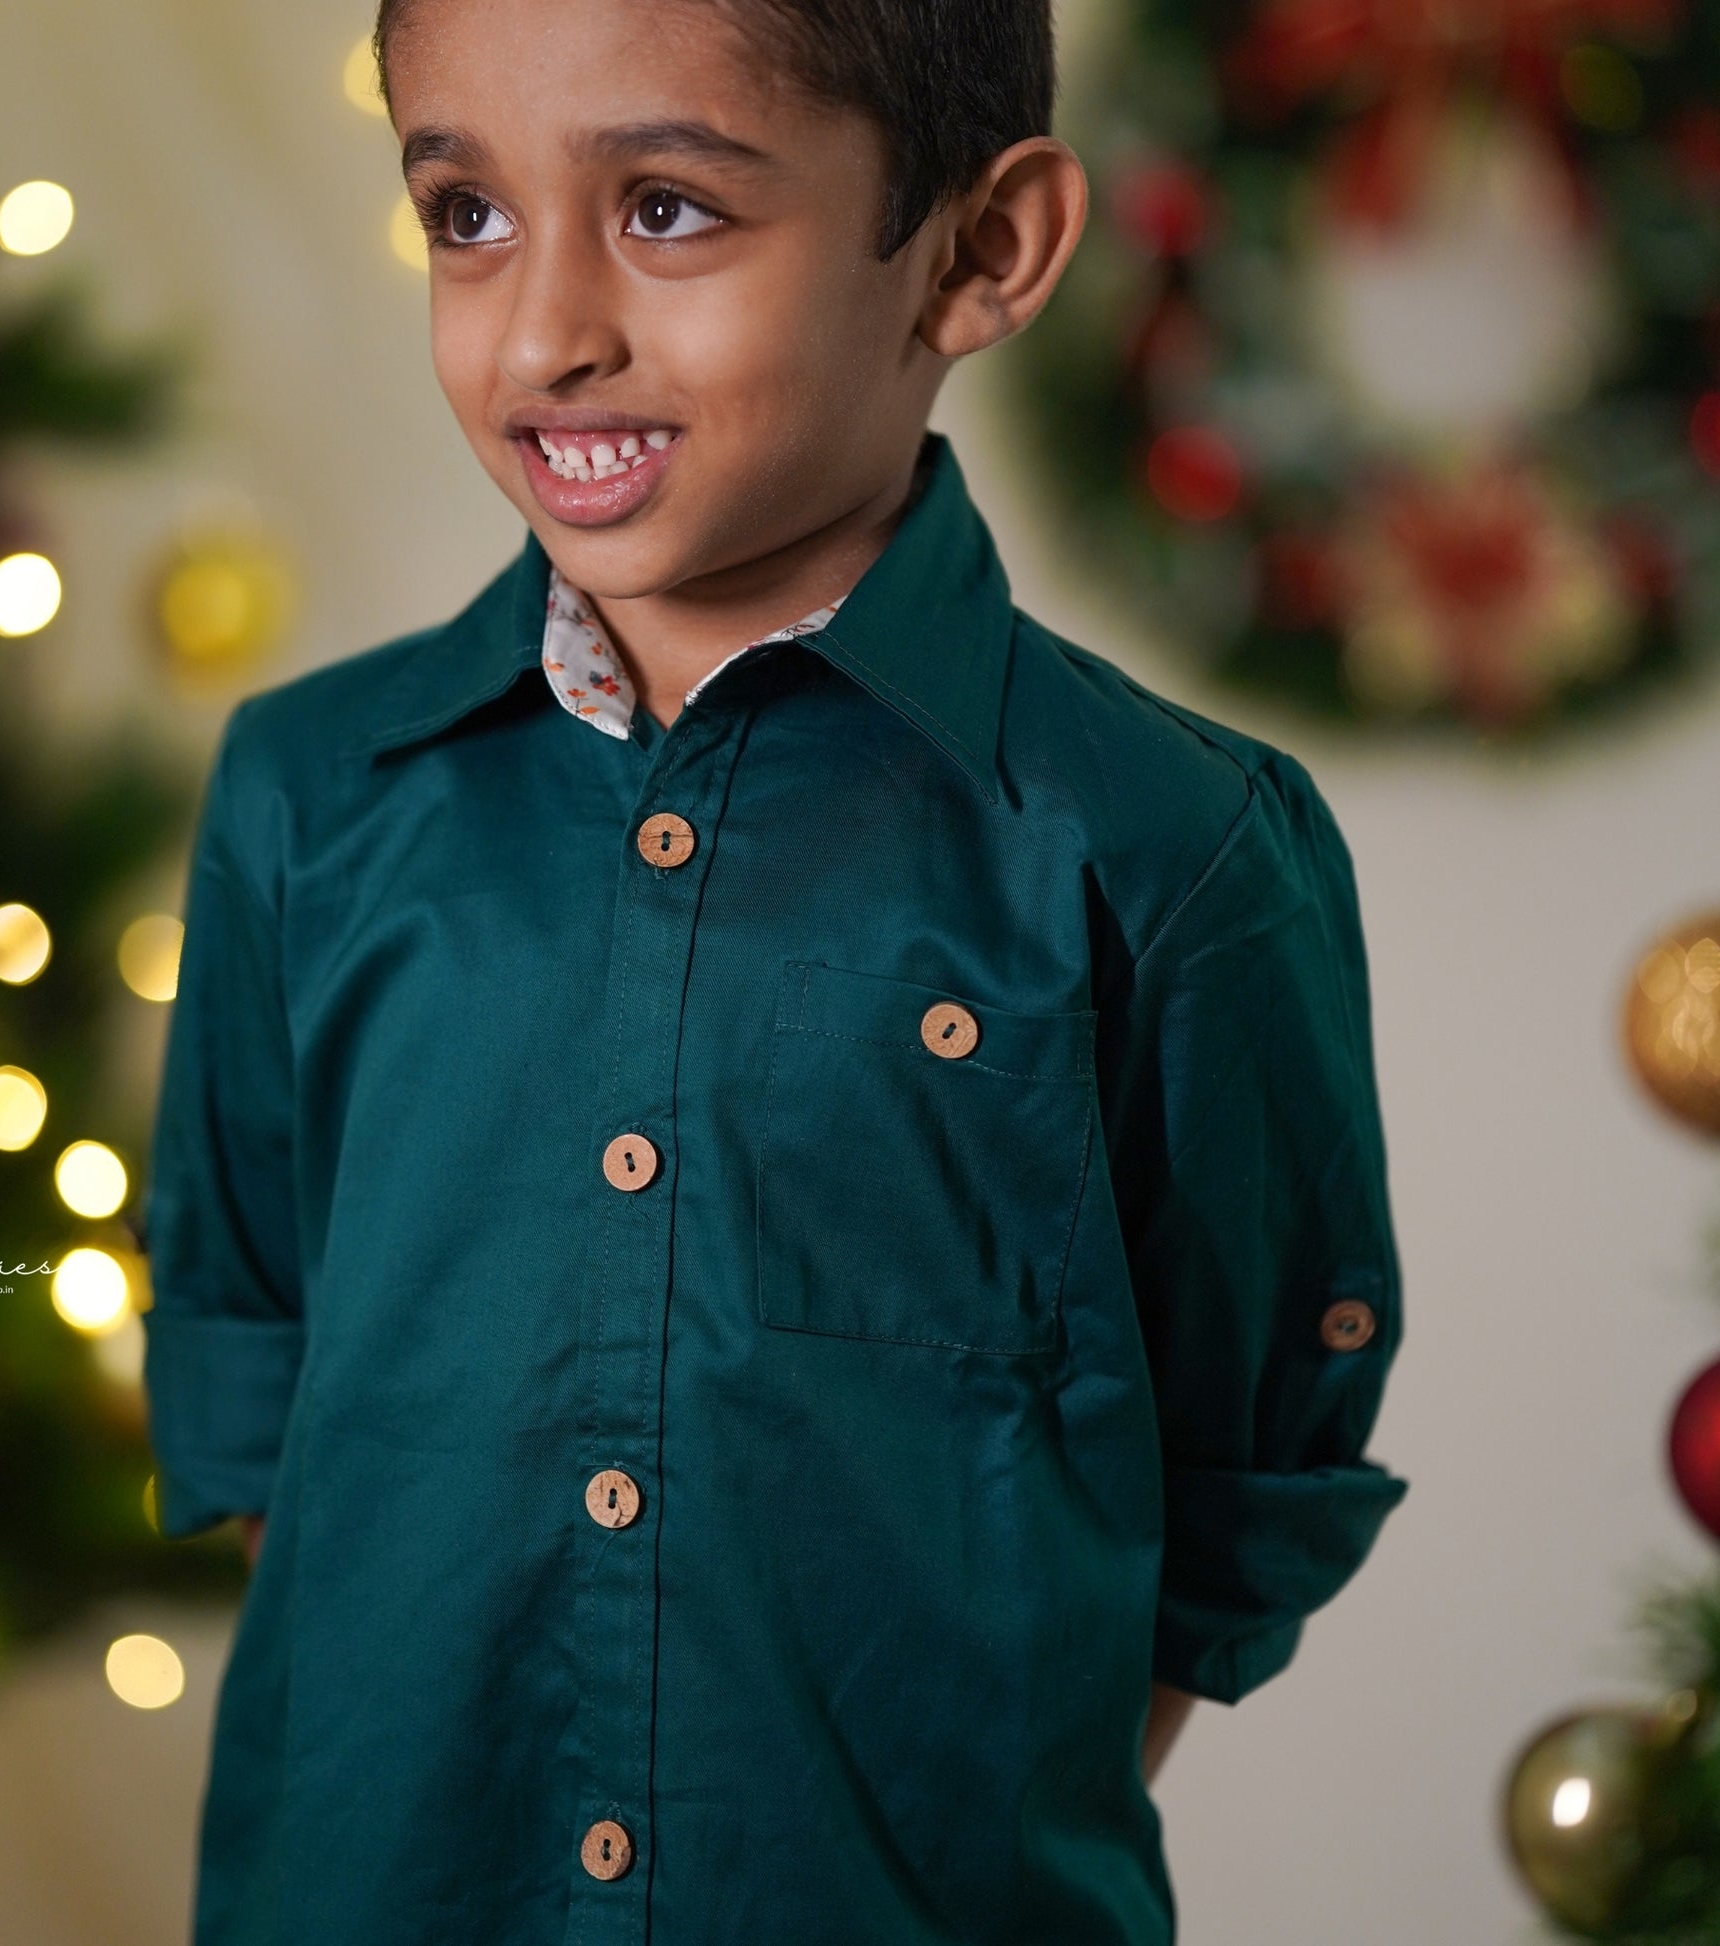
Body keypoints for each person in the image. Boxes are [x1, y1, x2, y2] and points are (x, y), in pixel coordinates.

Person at [140, 0, 1409, 1939]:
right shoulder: (308, 803)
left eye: (662, 208)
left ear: (980, 251)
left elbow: (1236, 1499)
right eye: (465, 213)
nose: (544, 328)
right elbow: (260, 1403)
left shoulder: (1177, 852)